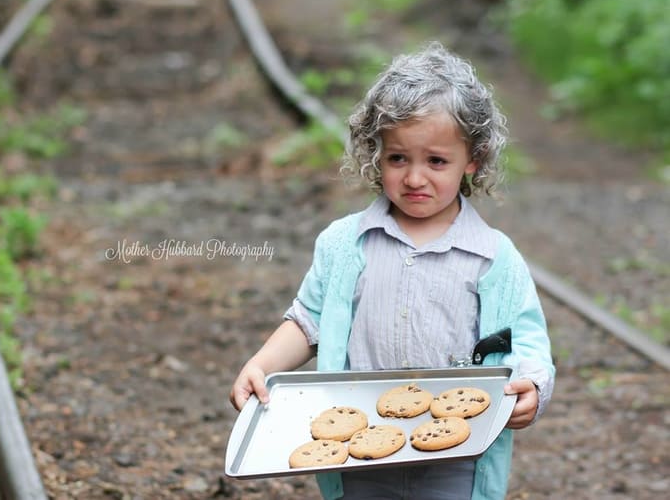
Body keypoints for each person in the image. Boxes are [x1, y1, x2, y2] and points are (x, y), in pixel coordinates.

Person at [230, 41, 555, 500]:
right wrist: (261, 365)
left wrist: (534, 387)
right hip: (360, 450)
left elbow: (525, 342)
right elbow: (309, 320)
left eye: (436, 161)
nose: (415, 178)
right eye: (398, 158)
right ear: (375, 154)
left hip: (456, 456)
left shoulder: (494, 258)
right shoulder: (346, 244)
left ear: (473, 160)